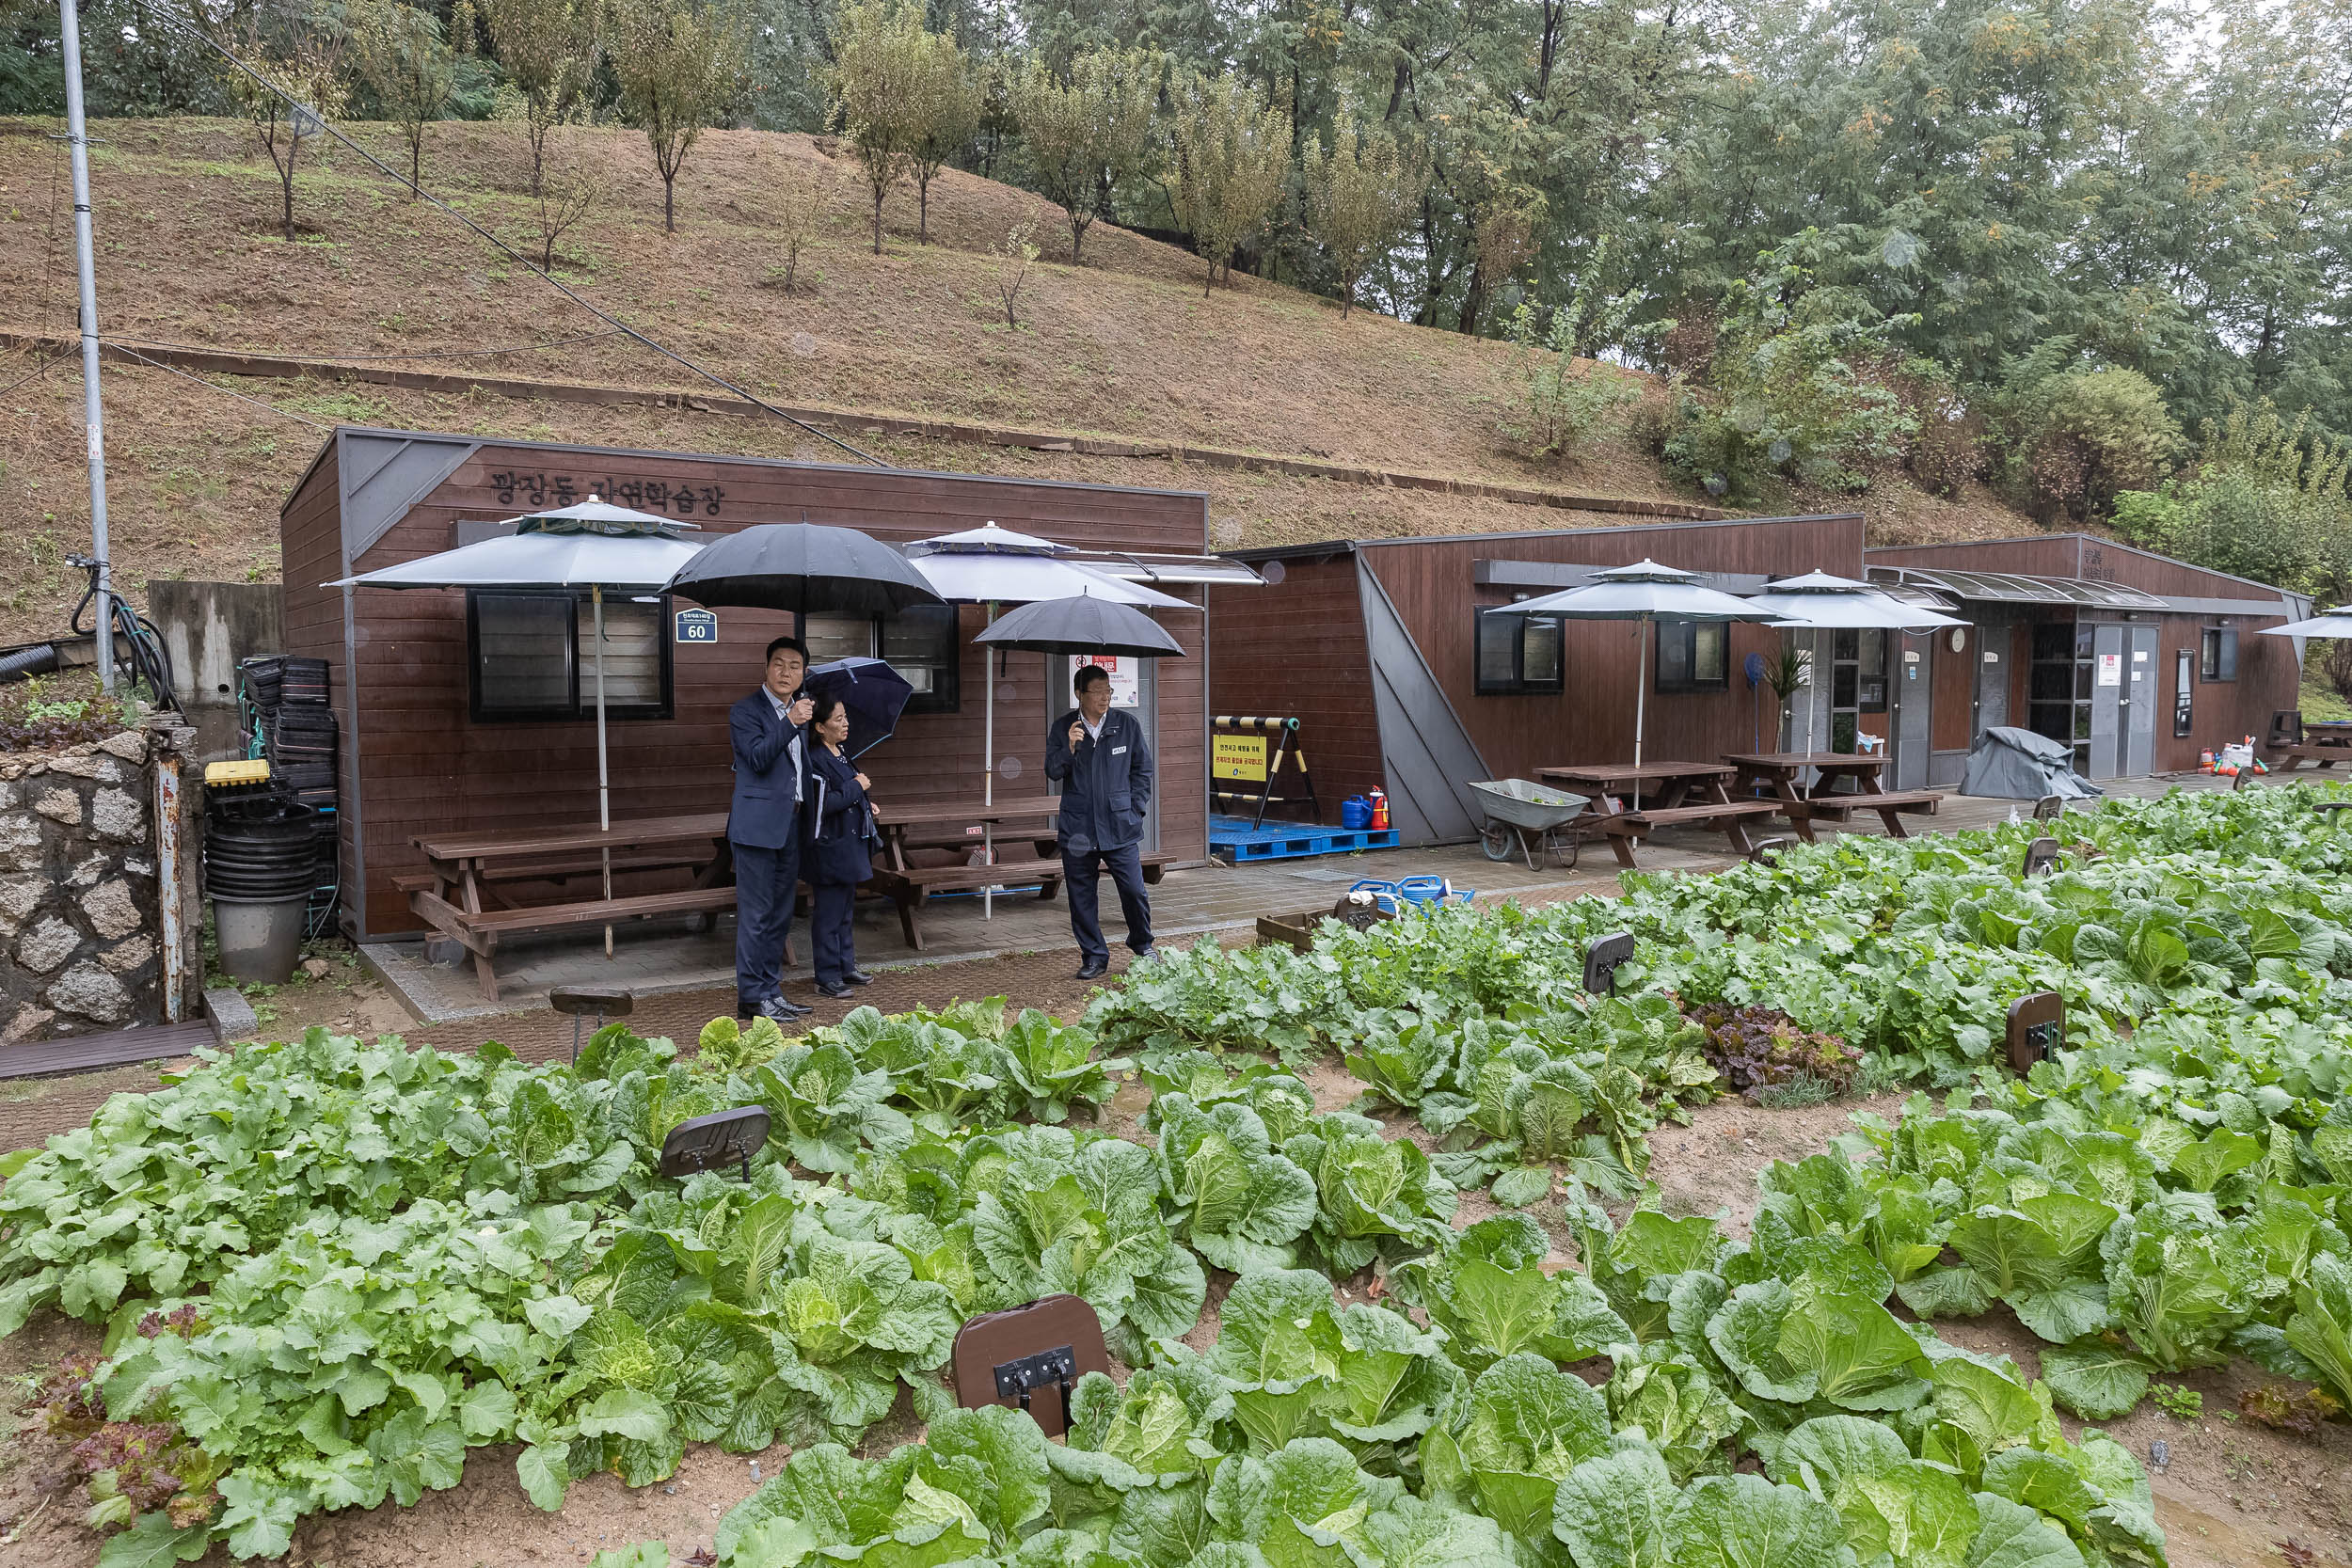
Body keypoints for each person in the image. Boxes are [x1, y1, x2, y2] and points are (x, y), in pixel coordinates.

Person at [1044, 663, 1155, 979]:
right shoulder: (1063, 726)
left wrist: (1135, 809)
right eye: (1098, 692)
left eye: (1108, 691)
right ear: (1079, 694)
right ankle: (1094, 956)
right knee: (1081, 898)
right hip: (1078, 829)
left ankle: (1143, 944)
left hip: (1120, 825)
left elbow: (1142, 771)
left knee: (1134, 890)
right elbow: (1052, 771)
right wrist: (1068, 747)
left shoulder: (1126, 725)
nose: (1105, 697)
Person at [728, 636, 814, 1022]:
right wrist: (791, 722)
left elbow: (800, 772)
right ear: (766, 668)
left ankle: (771, 990)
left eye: (794, 666)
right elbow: (760, 759)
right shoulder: (745, 711)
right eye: (779, 664)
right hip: (756, 828)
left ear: (804, 673)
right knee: (756, 914)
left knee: (781, 914)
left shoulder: (803, 711)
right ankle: (750, 997)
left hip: (791, 824)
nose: (786, 672)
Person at [803, 692, 882, 999]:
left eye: (845, 717)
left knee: (846, 911)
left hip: (848, 845)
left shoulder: (840, 752)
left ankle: (845, 965)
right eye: (838, 719)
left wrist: (866, 803)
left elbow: (850, 792)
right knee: (829, 914)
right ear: (820, 726)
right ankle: (826, 975)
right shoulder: (814, 757)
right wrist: (857, 787)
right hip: (829, 847)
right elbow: (824, 803)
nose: (845, 723)